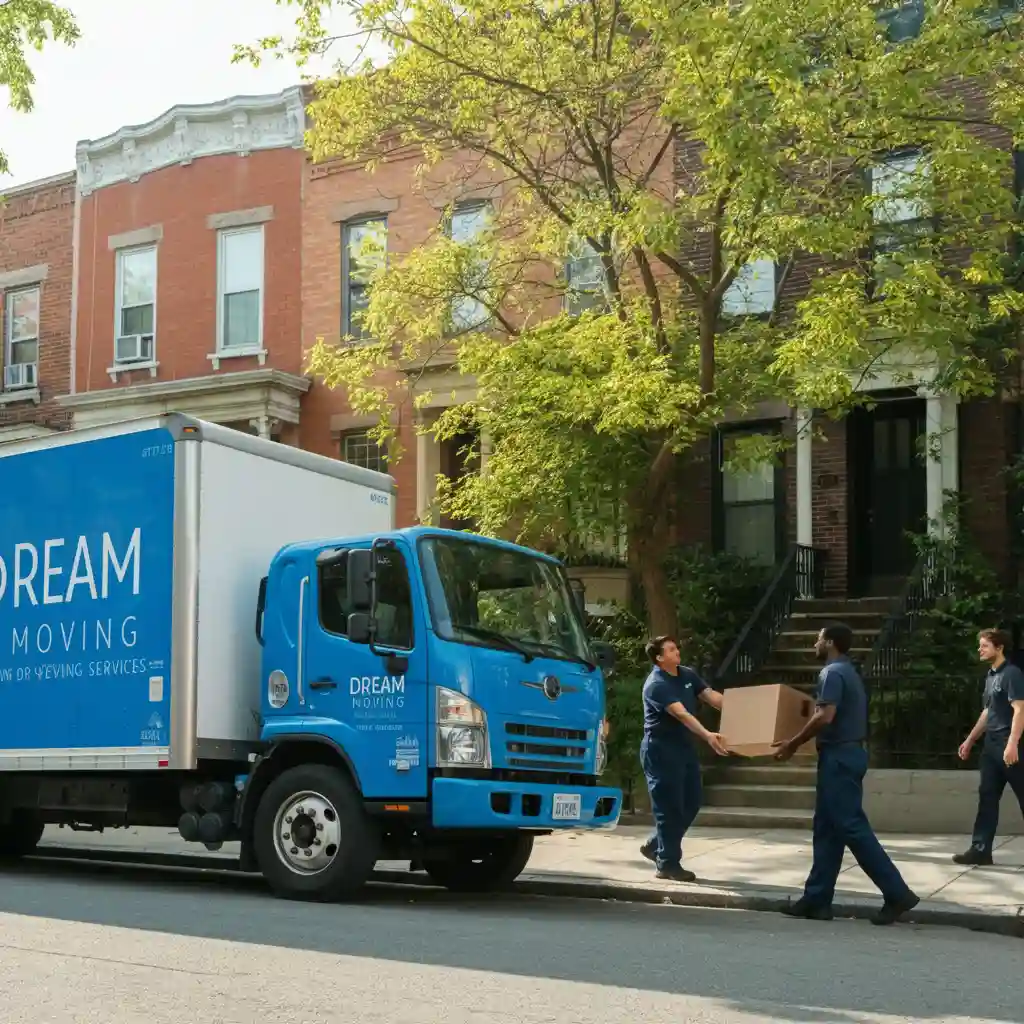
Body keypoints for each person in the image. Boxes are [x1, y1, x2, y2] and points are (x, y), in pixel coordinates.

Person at [773, 622, 919, 926]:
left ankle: (897, 892)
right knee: (827, 828)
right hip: (845, 754)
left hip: (839, 756)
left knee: (851, 826)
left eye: (818, 639)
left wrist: (793, 743)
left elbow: (825, 715)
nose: (815, 643)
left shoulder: (832, 673)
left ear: (830, 642)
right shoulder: (849, 671)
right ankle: (817, 899)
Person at [639, 635, 727, 882]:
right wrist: (708, 735)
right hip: (661, 750)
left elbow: (710, 696)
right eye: (671, 649)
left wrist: (742, 707)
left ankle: (656, 845)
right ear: (659, 657)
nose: (677, 651)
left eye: (676, 647)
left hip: (684, 748)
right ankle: (667, 864)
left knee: (692, 802)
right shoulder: (656, 684)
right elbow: (682, 715)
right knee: (670, 808)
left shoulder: (686, 674)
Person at [952, 628, 1024, 865]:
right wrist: (971, 739)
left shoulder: (1012, 673)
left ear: (999, 647)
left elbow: (1020, 710)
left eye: (984, 646)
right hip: (991, 746)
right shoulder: (991, 676)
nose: (979, 650)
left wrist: (1012, 743)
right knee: (987, 797)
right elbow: (988, 711)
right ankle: (980, 850)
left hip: (1009, 744)